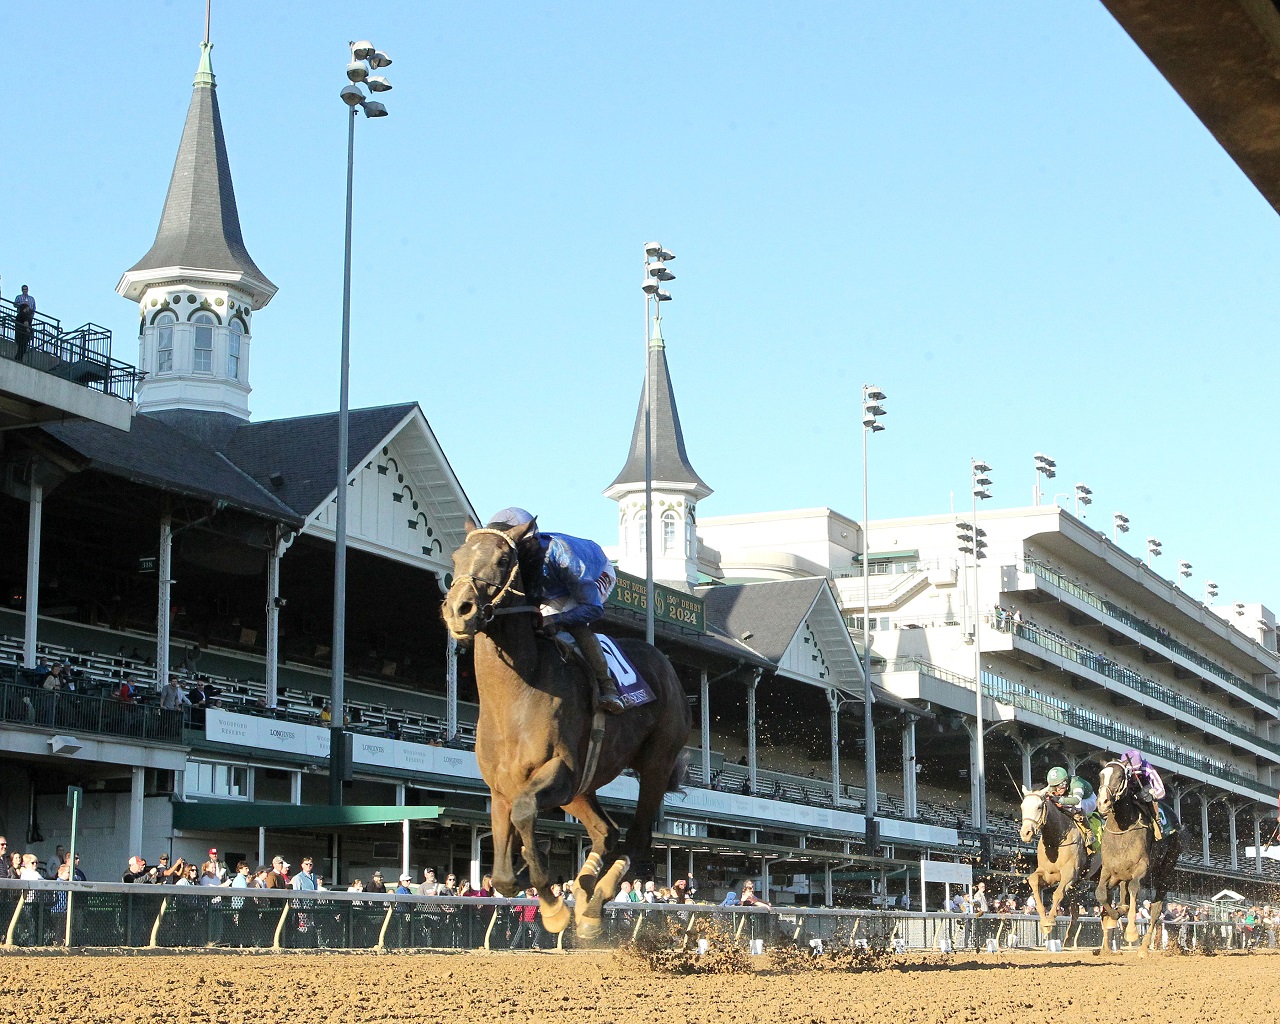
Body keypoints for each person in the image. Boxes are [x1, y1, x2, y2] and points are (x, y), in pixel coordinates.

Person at [485, 507, 624, 714]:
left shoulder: (563, 557)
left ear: (529, 541)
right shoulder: (516, 557)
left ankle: (608, 687)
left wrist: (557, 620)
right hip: (553, 584)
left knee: (573, 622)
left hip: (593, 574)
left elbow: (592, 609)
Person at [1043, 766, 1100, 854]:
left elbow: (1076, 800)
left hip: (1088, 800)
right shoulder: (1055, 785)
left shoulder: (1077, 784)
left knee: (1076, 807)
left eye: (1060, 785)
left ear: (1066, 782)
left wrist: (1059, 800)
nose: (1058, 789)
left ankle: (1089, 832)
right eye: (1055, 786)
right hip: (1069, 797)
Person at [1120, 749, 1166, 840]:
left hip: (1145, 792)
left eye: (1136, 773)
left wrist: (1153, 794)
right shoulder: (1120, 768)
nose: (1133, 776)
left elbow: (1161, 791)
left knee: (1151, 800)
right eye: (1131, 774)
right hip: (1128, 792)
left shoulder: (1147, 767)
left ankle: (1157, 825)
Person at [12, 285, 35, 362]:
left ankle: (18, 358)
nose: (25, 290)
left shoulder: (31, 299)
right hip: (22, 322)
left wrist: (31, 314)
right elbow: (15, 305)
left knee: (23, 345)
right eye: (23, 289)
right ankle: (18, 358)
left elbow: (34, 308)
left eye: (26, 289)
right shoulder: (19, 297)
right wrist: (22, 303)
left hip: (28, 318)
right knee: (22, 344)